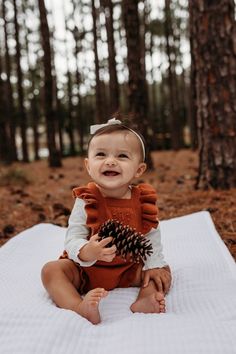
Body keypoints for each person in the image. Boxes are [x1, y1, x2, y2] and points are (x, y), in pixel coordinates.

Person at [41, 117, 172, 325]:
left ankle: (146, 298)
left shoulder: (142, 200)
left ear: (139, 169)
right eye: (101, 154)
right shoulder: (87, 199)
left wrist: (153, 264)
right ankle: (78, 306)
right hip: (86, 272)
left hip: (128, 269)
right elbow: (73, 237)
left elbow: (151, 237)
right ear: (88, 165)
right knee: (51, 270)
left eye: (122, 155)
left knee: (161, 271)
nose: (110, 161)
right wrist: (87, 251)